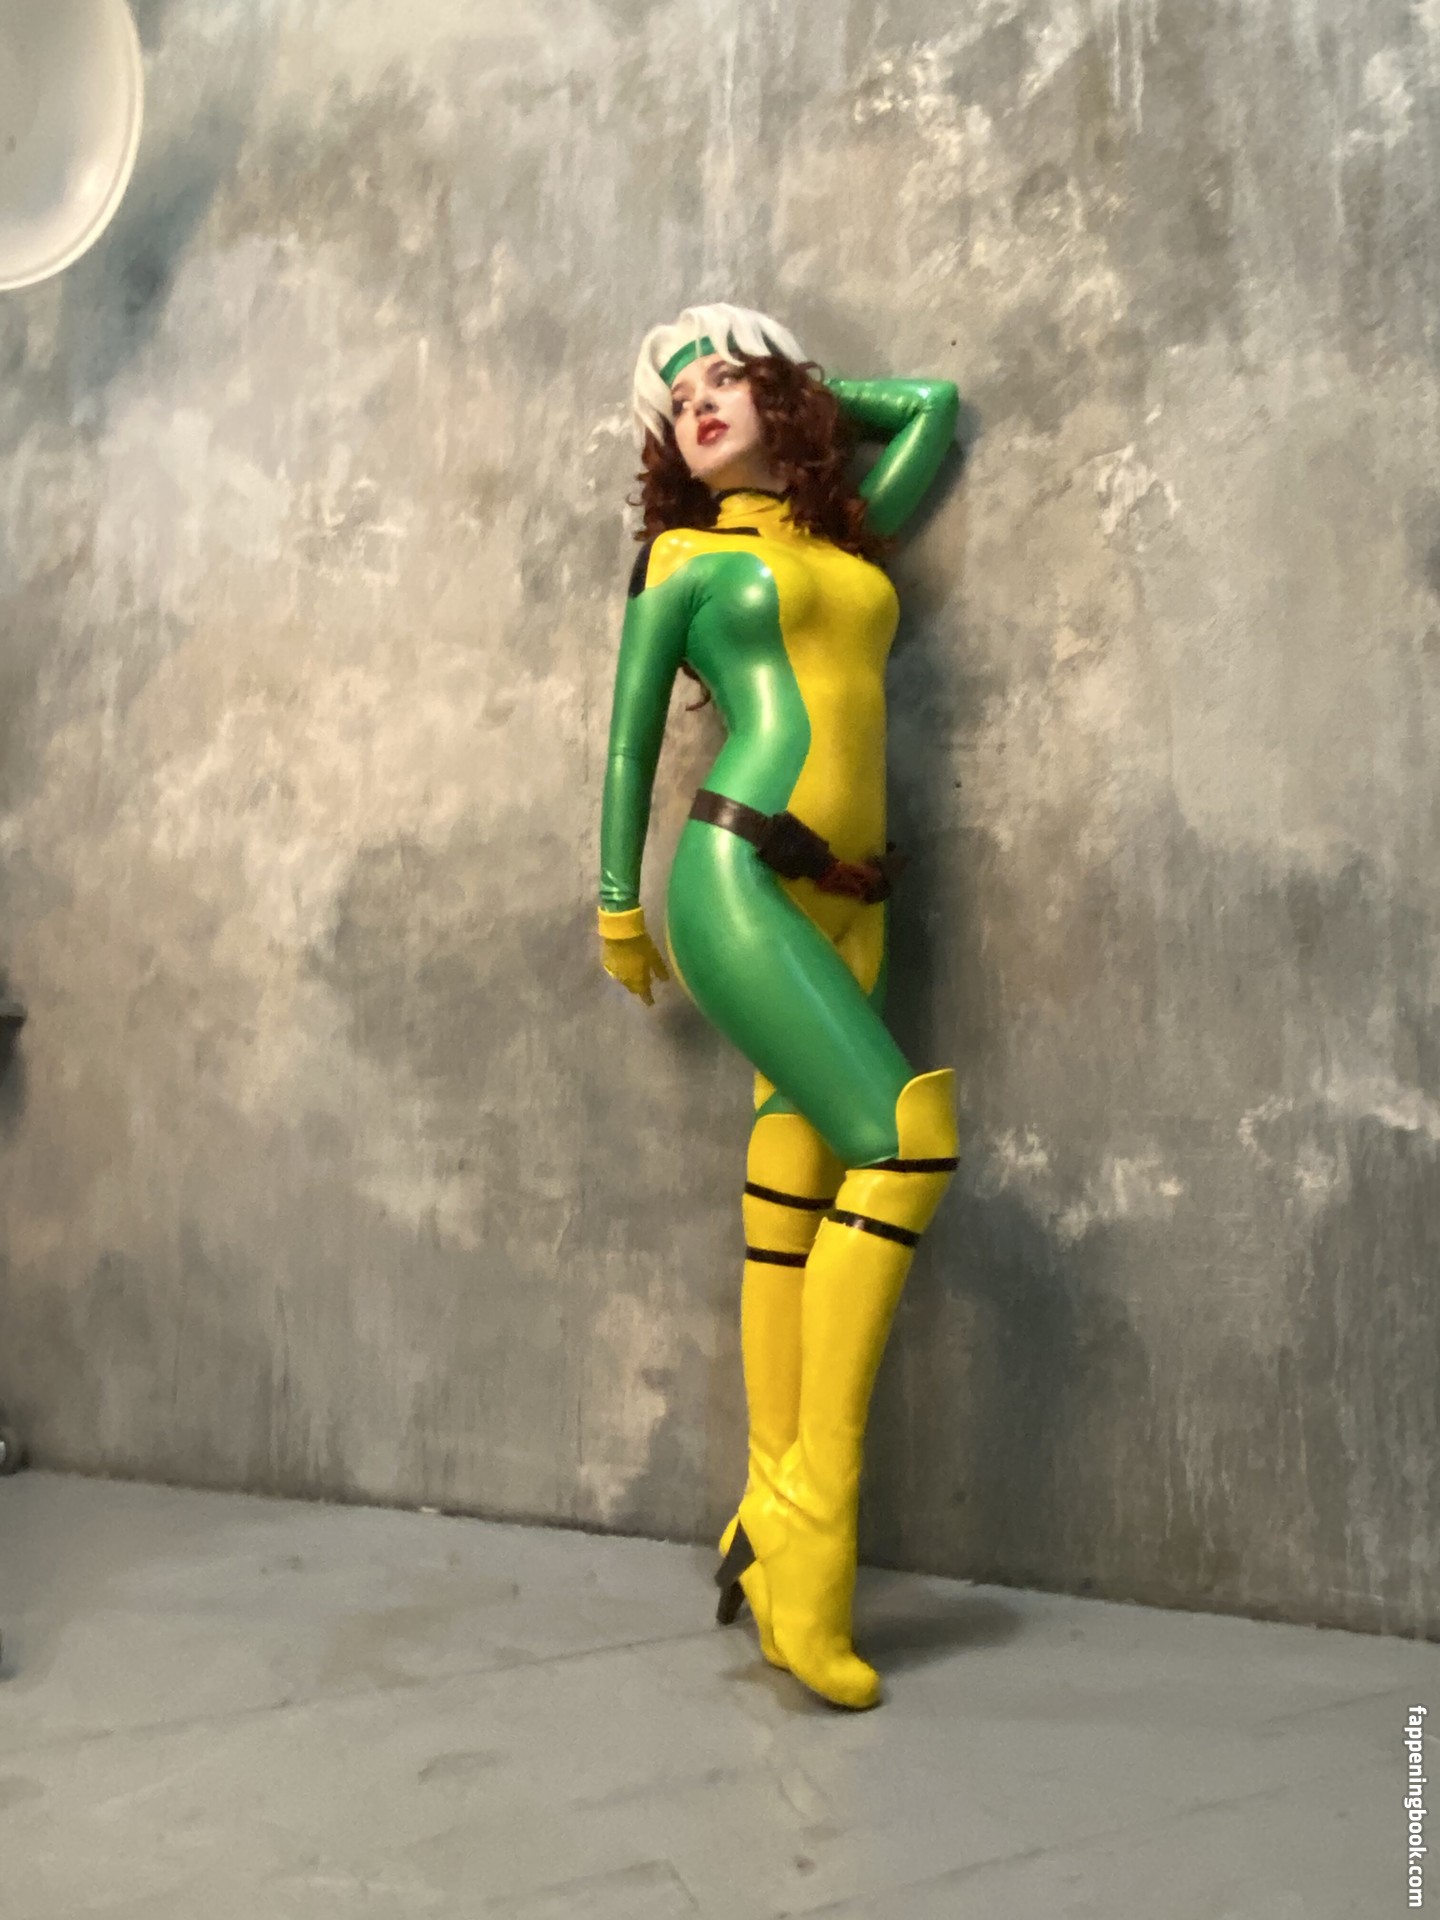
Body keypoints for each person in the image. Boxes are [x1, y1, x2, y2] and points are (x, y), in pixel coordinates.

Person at [596, 302, 960, 1709]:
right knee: (906, 1144)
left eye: (721, 379)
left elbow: (929, 405)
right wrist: (616, 903)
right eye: (674, 397)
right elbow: (629, 741)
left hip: (857, 892)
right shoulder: (683, 560)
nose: (697, 400)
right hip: (739, 873)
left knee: (792, 1191)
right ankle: (815, 1528)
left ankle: (761, 1503)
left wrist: (793, 379)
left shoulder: (849, 538)